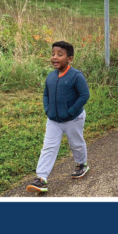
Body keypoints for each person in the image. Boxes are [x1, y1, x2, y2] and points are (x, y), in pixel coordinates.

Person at [26, 41, 90, 194]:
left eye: (60, 55)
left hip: (73, 119)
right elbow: (46, 94)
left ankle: (81, 164)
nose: (55, 57)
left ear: (70, 58)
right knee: (48, 147)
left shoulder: (76, 76)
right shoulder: (51, 77)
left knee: (76, 144)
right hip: (53, 119)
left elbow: (84, 95)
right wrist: (47, 109)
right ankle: (41, 179)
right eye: (53, 54)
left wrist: (71, 111)